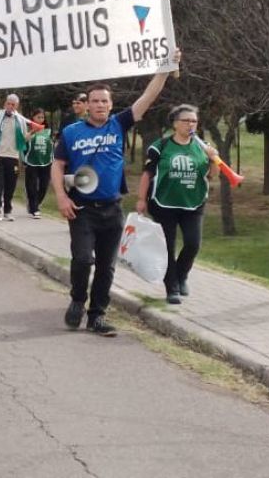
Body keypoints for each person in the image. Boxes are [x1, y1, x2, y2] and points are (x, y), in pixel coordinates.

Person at [52, 53, 179, 338]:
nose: (100, 105)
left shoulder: (119, 124)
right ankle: (77, 299)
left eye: (104, 101)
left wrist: (166, 69)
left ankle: (97, 316)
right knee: (84, 260)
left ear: (111, 105)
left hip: (112, 209)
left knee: (107, 268)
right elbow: (57, 166)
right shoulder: (71, 133)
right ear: (87, 105)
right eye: (95, 101)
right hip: (82, 209)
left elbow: (148, 96)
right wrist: (61, 197)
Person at [135, 105, 217, 304]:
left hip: (193, 203)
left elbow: (211, 176)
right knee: (167, 247)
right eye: (186, 120)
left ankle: (182, 276)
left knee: (192, 244)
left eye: (194, 121)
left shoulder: (202, 147)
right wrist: (140, 199)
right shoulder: (160, 146)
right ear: (175, 124)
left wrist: (213, 160)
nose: (190, 124)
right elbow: (147, 174)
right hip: (164, 204)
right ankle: (171, 287)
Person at [0, 94, 31, 222]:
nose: (10, 106)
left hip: (13, 156)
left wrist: (30, 135)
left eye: (13, 104)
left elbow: (23, 139)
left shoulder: (20, 120)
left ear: (17, 106)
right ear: (5, 104)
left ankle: (7, 210)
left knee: (11, 185)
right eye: (8, 103)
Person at [23, 108, 53, 219]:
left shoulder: (48, 131)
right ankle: (34, 208)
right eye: (38, 117)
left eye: (42, 117)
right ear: (33, 118)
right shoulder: (28, 129)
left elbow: (51, 146)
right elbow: (23, 141)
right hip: (31, 161)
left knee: (44, 186)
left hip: (46, 162)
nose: (40, 119)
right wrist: (32, 131)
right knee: (31, 186)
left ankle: (35, 204)